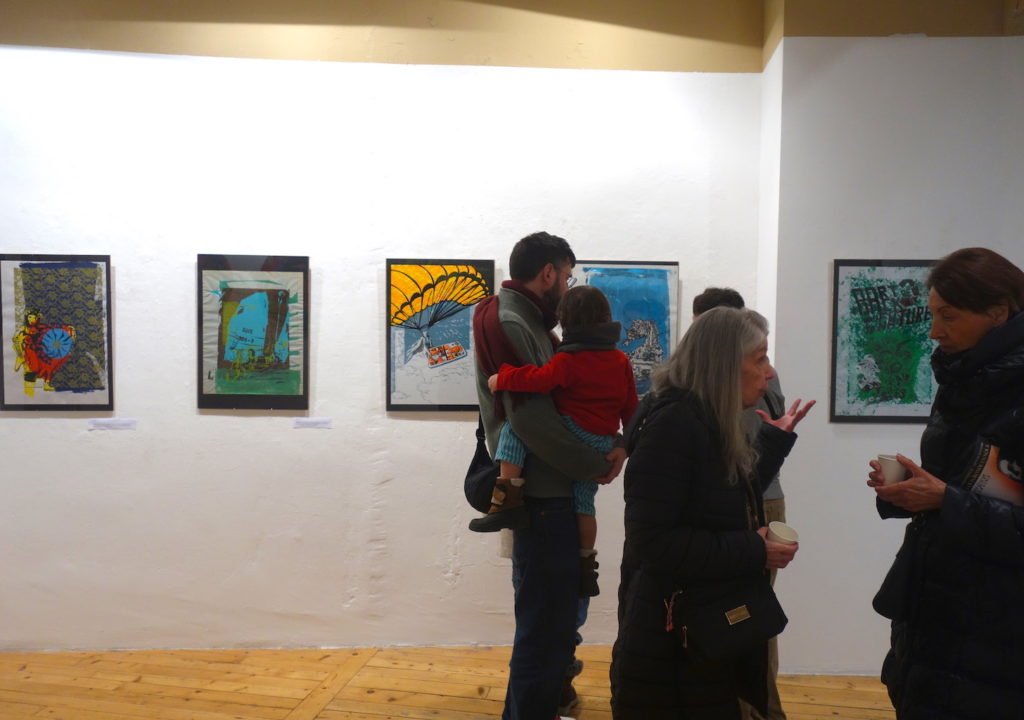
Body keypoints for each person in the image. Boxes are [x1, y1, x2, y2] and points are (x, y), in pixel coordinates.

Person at [610, 307, 814, 719]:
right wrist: (754, 550)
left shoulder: (704, 419)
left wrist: (773, 442)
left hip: (698, 635)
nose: (769, 372)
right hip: (673, 644)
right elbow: (653, 542)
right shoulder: (674, 426)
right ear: (724, 364)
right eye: (760, 358)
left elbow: (720, 498)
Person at [472, 231, 626, 720]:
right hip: (544, 499)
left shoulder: (524, 319)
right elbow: (530, 417)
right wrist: (597, 463)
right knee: (543, 630)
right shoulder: (511, 320)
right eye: (568, 276)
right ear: (549, 273)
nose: (567, 285)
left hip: (549, 495)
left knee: (552, 626)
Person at [867, 247, 1024, 719]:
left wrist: (944, 500)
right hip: (936, 612)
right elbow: (965, 485)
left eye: (948, 316)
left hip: (999, 633)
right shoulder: (964, 379)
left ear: (998, 313)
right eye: (934, 314)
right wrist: (912, 492)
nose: (934, 330)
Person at [473, 284, 639, 598]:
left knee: (516, 428)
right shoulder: (620, 360)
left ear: (565, 321)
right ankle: (586, 565)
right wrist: (623, 445)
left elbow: (539, 380)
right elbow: (631, 409)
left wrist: (503, 378)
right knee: (585, 504)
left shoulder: (569, 359)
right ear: (606, 318)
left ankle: (506, 498)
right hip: (603, 442)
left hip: (573, 432)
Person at [693, 288, 788, 720]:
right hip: (755, 499)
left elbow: (744, 458)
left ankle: (760, 709)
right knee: (741, 612)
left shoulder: (745, 377)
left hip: (756, 501)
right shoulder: (697, 389)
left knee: (752, 612)